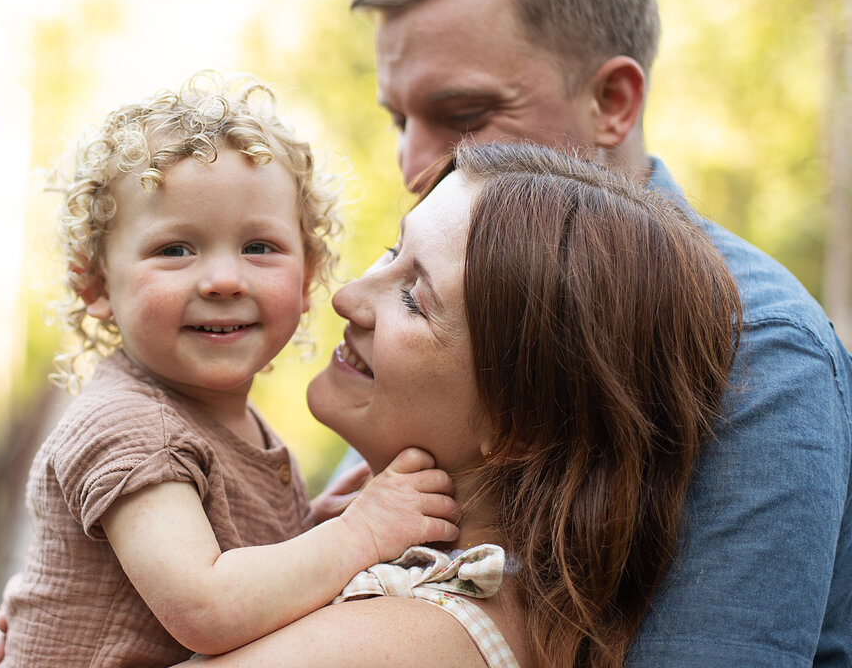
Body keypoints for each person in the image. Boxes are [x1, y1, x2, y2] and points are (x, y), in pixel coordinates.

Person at [338, 0, 852, 667]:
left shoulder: (755, 347)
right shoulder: (446, 303)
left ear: (612, 101)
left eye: (463, 112)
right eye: (398, 121)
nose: (415, 164)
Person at [172, 140, 742, 666]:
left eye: (414, 299)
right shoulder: (397, 576)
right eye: (392, 249)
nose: (347, 298)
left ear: (524, 423)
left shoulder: (398, 642)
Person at [0, 72, 458, 667]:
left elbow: (231, 554)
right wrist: (359, 534)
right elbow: (207, 605)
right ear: (95, 284)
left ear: (309, 274)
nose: (223, 280)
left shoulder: (222, 421)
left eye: (259, 247)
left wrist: (314, 525)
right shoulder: (133, 428)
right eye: (175, 250)